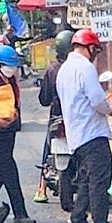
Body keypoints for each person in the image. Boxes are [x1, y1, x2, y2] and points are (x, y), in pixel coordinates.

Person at [56, 29, 112, 223]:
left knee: (87, 178)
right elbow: (97, 100)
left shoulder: (65, 69)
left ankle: (77, 218)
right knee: (99, 179)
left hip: (76, 133)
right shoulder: (85, 68)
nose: (96, 53)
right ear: (89, 48)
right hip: (91, 132)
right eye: (95, 49)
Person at [0, 45, 36, 223]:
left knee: (0, 171)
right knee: (9, 171)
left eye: (13, 65)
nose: (12, 68)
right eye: (8, 65)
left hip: (9, 132)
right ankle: (20, 212)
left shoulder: (11, 81)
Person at [34, 30, 75, 204]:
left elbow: (44, 99)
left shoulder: (52, 69)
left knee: (46, 152)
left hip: (57, 117)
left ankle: (41, 188)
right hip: (75, 118)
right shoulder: (79, 67)